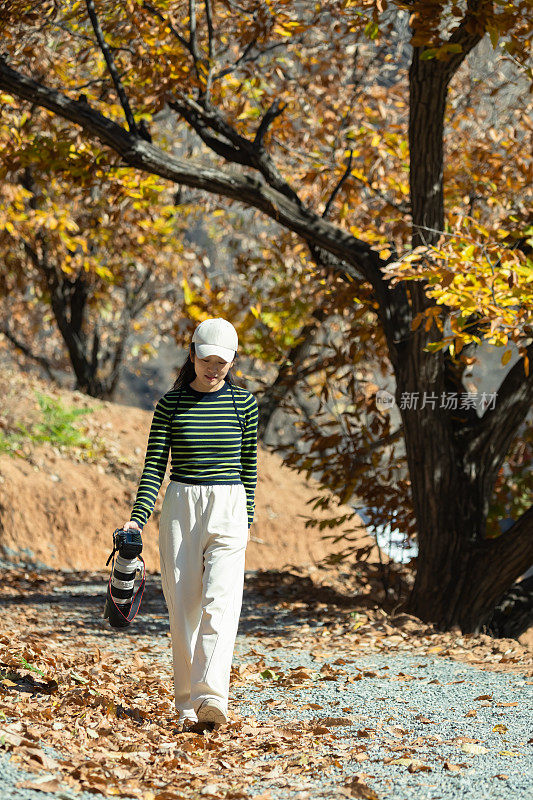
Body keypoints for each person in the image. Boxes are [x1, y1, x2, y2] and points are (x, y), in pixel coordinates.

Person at [122, 318, 258, 729]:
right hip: (181, 505)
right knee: (184, 609)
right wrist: (136, 519)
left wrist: (246, 518)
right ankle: (186, 702)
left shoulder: (244, 404)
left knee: (222, 603)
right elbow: (153, 471)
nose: (214, 368)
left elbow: (249, 467)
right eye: (207, 359)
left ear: (232, 361)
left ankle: (211, 698)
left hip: (229, 506)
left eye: (223, 362)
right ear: (193, 354)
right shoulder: (171, 404)